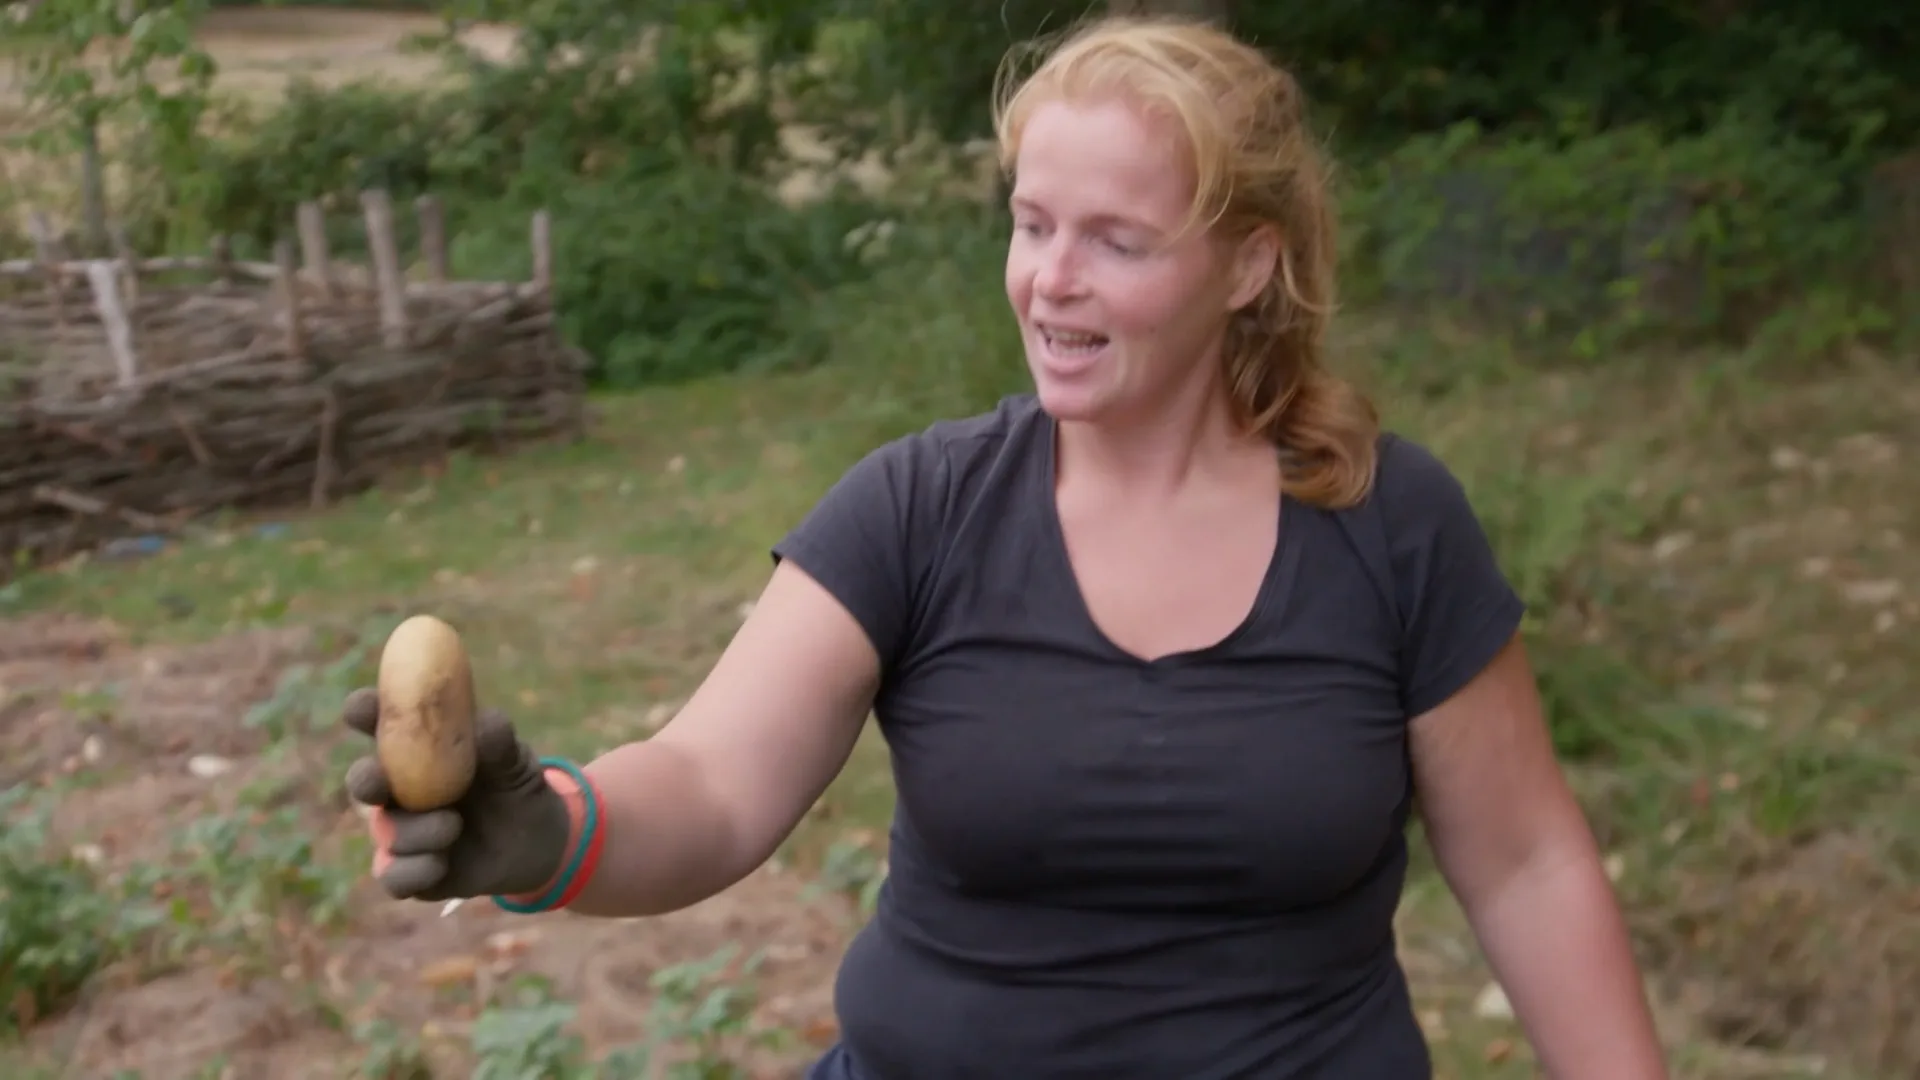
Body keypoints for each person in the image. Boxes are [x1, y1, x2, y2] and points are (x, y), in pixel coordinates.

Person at [339, 13, 1671, 1079]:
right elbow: (713, 783)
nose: (1051, 279)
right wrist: (547, 833)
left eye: (1117, 240)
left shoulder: (1389, 525)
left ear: (1249, 267)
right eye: (1033, 225)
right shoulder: (922, 508)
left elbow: (1526, 864)